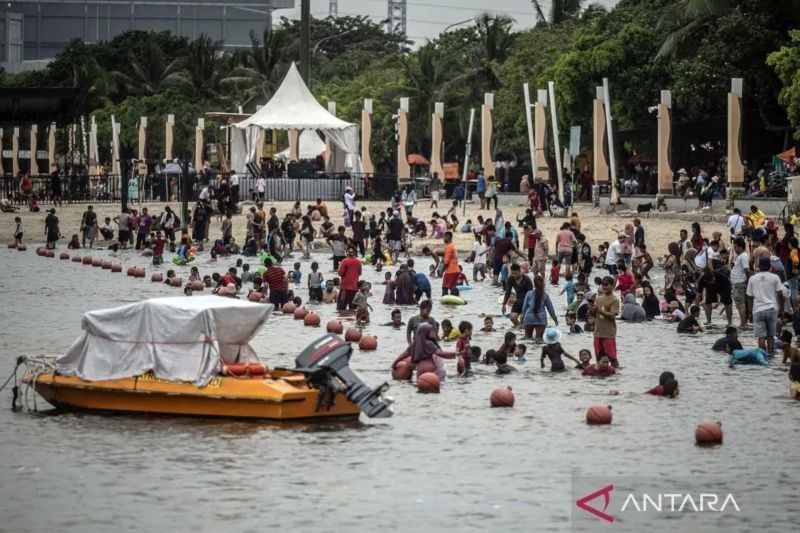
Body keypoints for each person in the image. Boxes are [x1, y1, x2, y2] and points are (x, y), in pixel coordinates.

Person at [746, 256, 784, 354]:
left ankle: (763, 356)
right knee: (771, 335)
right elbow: (780, 294)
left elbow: (749, 297)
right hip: (772, 308)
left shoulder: (752, 278)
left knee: (761, 336)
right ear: (770, 266)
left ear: (759, 266)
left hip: (758, 310)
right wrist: (781, 310)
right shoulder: (775, 277)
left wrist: (750, 312)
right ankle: (770, 355)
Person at [592, 276, 620, 367]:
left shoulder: (615, 300)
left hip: (608, 333)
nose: (604, 287)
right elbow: (594, 314)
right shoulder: (599, 298)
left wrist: (599, 310)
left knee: (612, 358)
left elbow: (612, 316)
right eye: (603, 284)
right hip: (597, 332)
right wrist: (591, 310)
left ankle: (616, 376)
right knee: (598, 358)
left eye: (606, 284)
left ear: (612, 286)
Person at [520, 275, 558, 342]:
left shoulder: (528, 294)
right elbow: (550, 309)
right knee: (539, 340)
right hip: (541, 319)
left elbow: (524, 308)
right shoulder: (545, 296)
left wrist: (521, 320)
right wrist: (555, 319)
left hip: (529, 318)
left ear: (534, 284)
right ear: (543, 284)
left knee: (527, 338)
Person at [337, 246, 362, 312]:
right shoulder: (358, 262)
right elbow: (359, 273)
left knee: (341, 309)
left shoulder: (344, 261)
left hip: (345, 289)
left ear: (347, 252)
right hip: (354, 288)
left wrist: (339, 267)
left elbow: (340, 273)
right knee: (353, 309)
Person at [441, 231, 460, 296]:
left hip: (450, 271)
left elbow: (446, 261)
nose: (443, 238)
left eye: (444, 237)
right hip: (456, 270)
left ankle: (444, 304)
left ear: (448, 237)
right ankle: (454, 304)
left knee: (445, 288)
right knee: (453, 288)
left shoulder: (449, 247)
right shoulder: (453, 246)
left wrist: (441, 271)